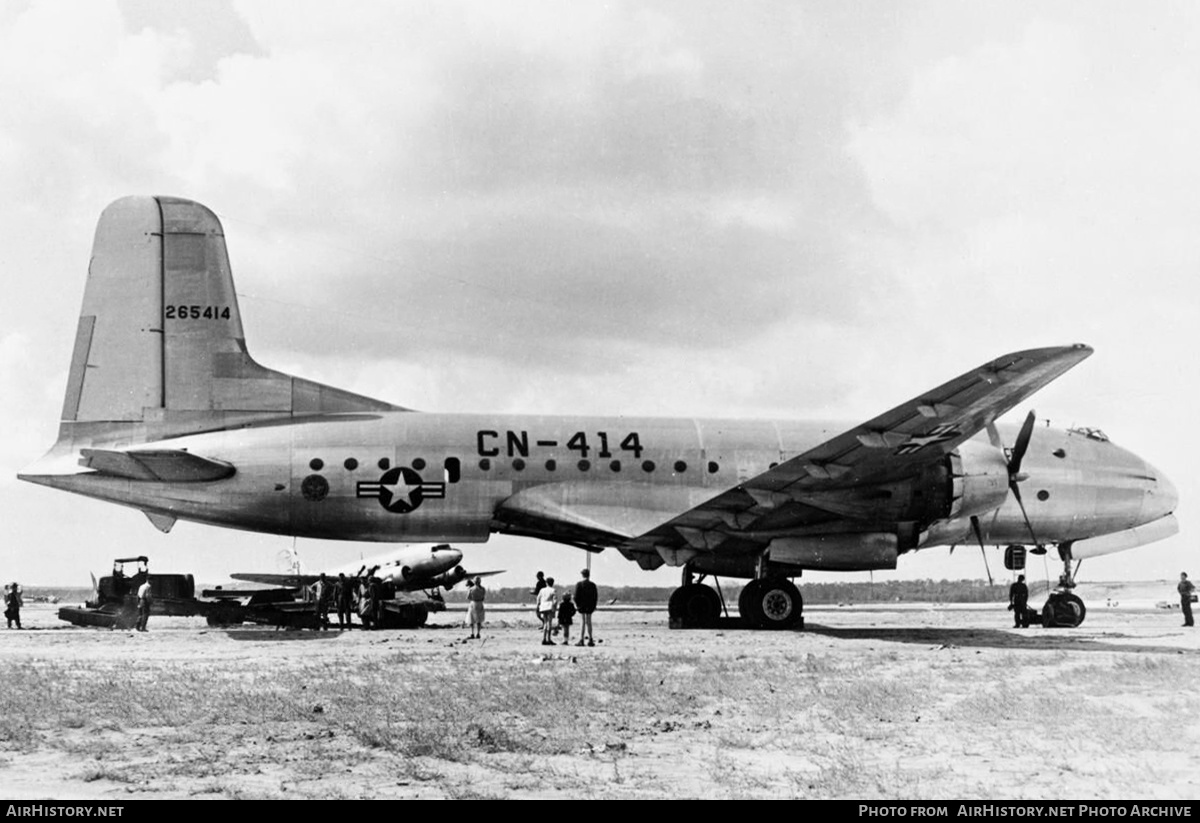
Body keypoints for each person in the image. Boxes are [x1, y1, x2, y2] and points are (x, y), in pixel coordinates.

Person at [574, 568, 598, 646]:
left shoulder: (579, 584)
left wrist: (577, 605)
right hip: (590, 606)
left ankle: (581, 639)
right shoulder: (593, 585)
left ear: (582, 575)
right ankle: (590, 639)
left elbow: (576, 596)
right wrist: (593, 606)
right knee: (589, 622)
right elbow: (595, 597)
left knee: (582, 622)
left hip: (581, 606)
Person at [537, 576, 558, 646]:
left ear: (546, 583)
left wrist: (538, 606)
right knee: (549, 623)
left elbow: (538, 598)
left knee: (545, 623)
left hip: (543, 607)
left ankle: (544, 638)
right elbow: (555, 600)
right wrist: (554, 608)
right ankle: (548, 639)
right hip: (549, 607)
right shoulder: (553, 590)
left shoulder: (542, 590)